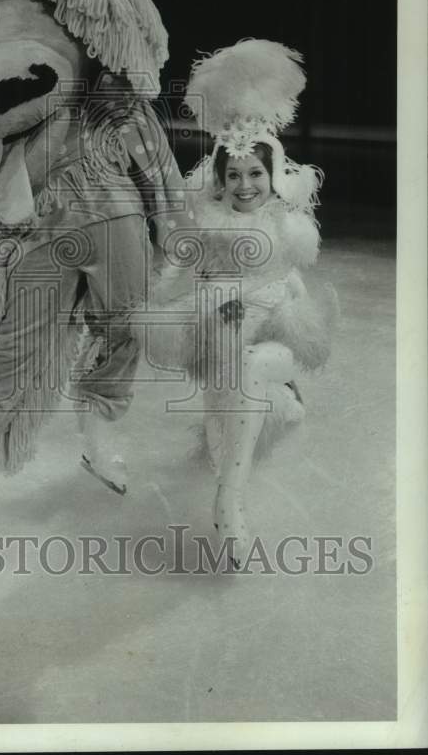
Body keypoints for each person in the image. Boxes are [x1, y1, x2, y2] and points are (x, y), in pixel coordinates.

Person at [150, 39, 337, 568]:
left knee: (251, 366)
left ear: (272, 176)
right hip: (221, 354)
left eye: (255, 173)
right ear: (220, 180)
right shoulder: (205, 229)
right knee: (222, 429)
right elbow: (173, 285)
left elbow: (293, 296)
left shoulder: (285, 227)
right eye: (234, 174)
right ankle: (233, 462)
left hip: (270, 349)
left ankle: (229, 505)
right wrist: (206, 302)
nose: (245, 184)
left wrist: (256, 300)